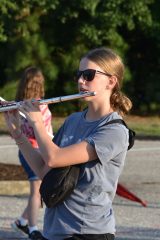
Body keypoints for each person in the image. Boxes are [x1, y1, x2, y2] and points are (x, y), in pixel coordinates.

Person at [4, 47, 132, 240]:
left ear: (111, 81)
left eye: (89, 75)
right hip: (55, 231)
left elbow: (55, 158)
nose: (81, 81)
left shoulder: (114, 131)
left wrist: (37, 121)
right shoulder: (73, 121)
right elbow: (44, 170)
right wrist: (18, 135)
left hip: (87, 232)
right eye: (79, 75)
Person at [11, 67, 53, 240]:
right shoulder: (25, 106)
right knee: (37, 190)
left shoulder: (31, 104)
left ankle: (22, 222)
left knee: (40, 191)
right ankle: (33, 229)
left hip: (35, 150)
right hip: (32, 151)